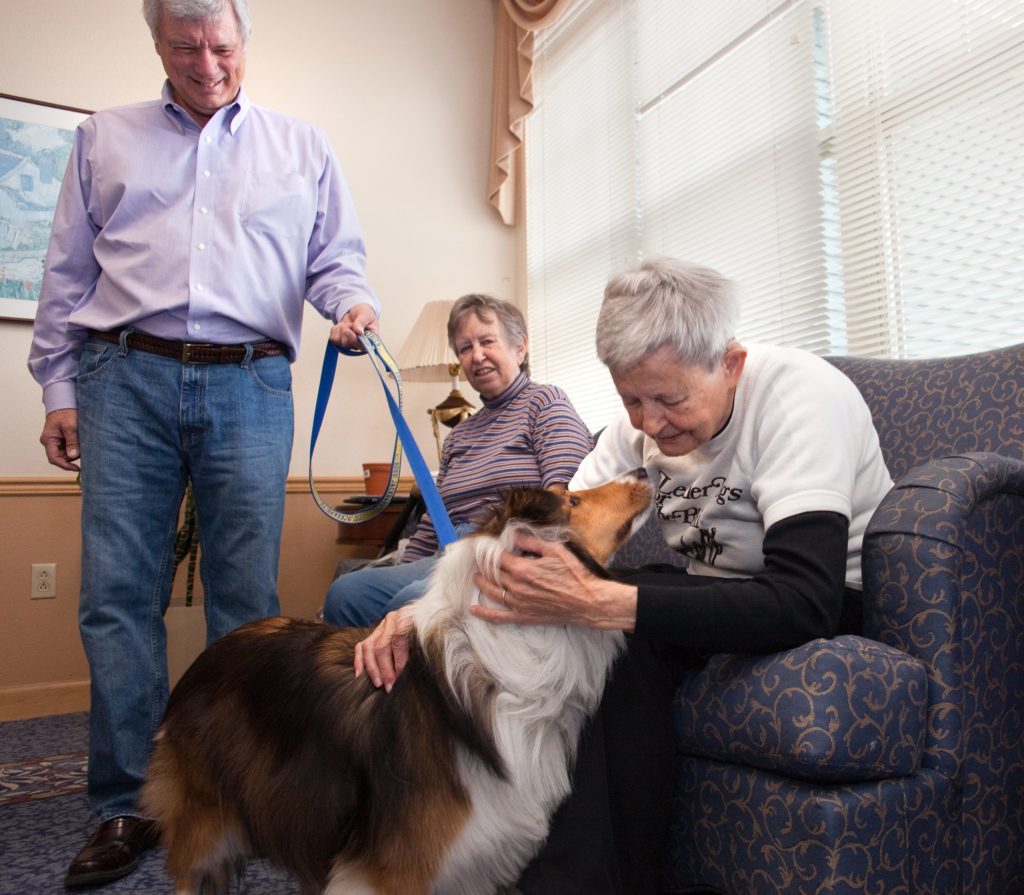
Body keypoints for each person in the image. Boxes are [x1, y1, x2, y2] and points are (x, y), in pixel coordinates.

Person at [354, 258, 893, 892]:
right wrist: (423, 615)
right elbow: (546, 541)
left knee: (608, 625)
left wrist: (602, 605)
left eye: (669, 398)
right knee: (576, 632)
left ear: (731, 365)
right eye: (631, 400)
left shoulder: (801, 397)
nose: (651, 425)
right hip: (716, 590)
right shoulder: (638, 428)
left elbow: (804, 601)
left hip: (828, 598)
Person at [26, 0, 380, 887]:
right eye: (186, 46)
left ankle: (239, 791)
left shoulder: (303, 147)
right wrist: (58, 387)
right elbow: (67, 270)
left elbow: (334, 260)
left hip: (251, 379)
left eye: (222, 45)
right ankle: (125, 802)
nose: (207, 63)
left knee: (247, 604)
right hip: (123, 374)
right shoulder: (105, 136)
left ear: (244, 43)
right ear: (157, 43)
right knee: (116, 595)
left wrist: (351, 305)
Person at [323, 293, 593, 628]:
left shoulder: (545, 402)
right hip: (448, 555)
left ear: (519, 347)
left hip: (503, 552)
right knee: (346, 594)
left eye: (487, 341)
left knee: (407, 603)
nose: (477, 356)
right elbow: (434, 520)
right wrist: (405, 566)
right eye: (465, 348)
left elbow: (565, 497)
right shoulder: (459, 436)